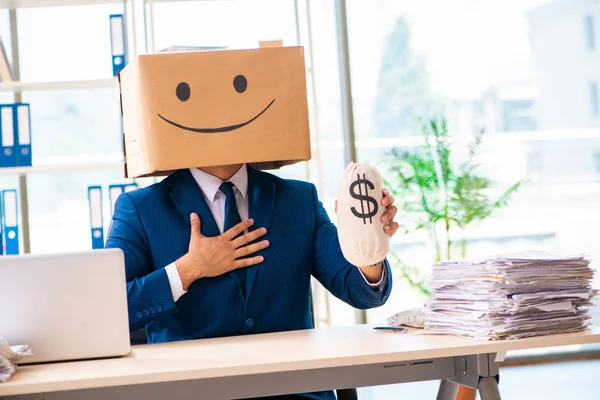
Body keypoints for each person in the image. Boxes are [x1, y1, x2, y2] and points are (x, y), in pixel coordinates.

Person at [105, 161, 399, 400]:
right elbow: (109, 312)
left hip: (294, 392)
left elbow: (362, 291)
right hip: (192, 393)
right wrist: (188, 270)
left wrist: (368, 243)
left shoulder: (299, 198)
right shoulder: (140, 208)